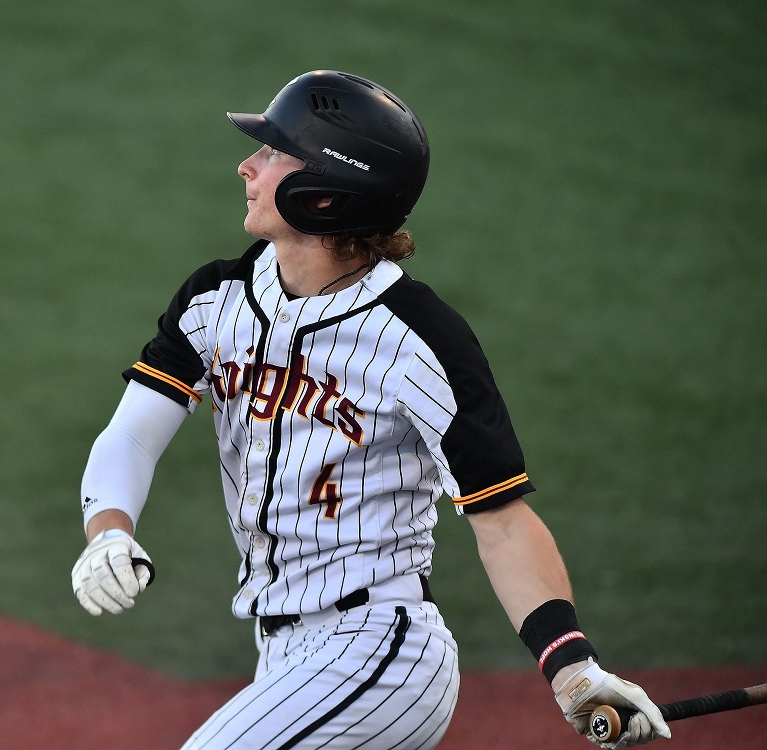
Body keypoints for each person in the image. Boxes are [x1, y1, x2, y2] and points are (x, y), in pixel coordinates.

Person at [71, 70, 672, 749]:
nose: (247, 164)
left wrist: (573, 671)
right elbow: (132, 435)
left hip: (378, 655)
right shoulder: (217, 298)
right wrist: (109, 531)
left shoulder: (420, 339)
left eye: (274, 153)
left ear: (323, 194)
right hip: (282, 660)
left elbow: (500, 518)